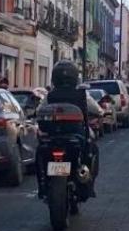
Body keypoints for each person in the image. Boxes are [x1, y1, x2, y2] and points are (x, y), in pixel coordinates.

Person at [36, 60, 100, 198]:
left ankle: (42, 186)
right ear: (75, 77)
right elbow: (96, 109)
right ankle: (88, 182)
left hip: (52, 136)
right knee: (92, 149)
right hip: (75, 135)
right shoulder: (82, 94)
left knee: (40, 153)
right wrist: (100, 113)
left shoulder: (50, 95)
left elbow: (39, 110)